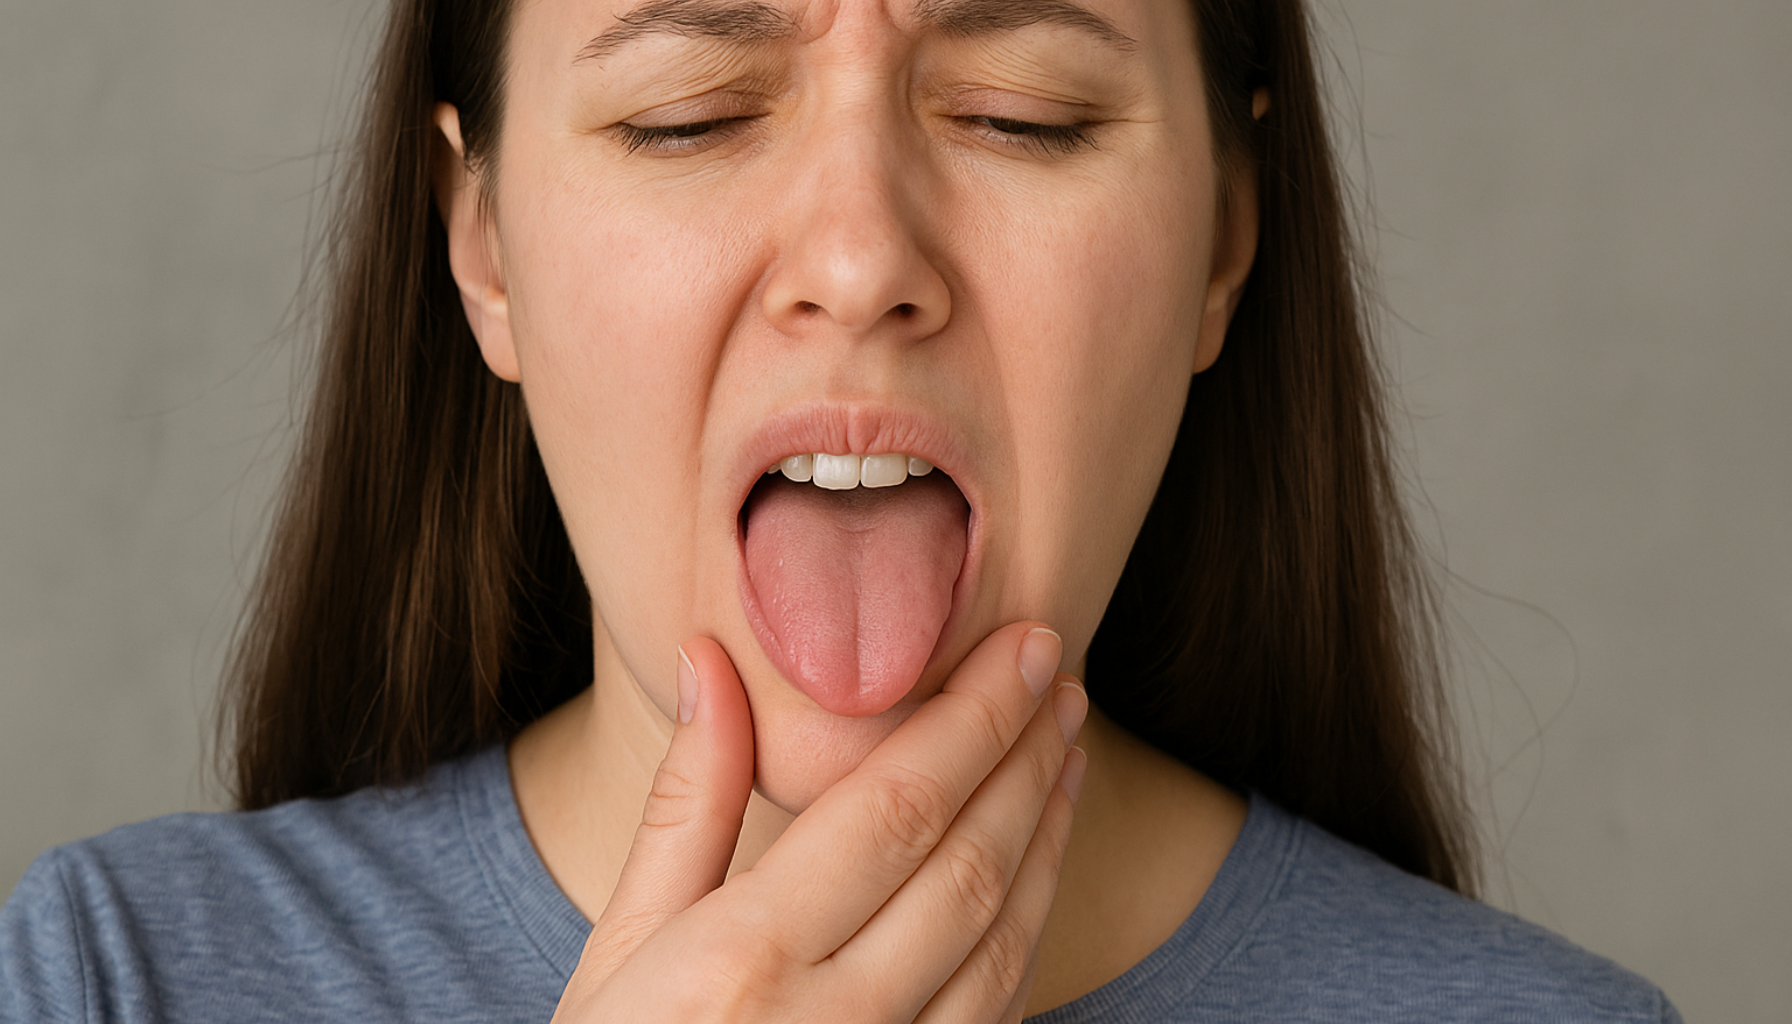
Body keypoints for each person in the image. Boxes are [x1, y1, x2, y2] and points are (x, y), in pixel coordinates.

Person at [0, 0, 1681, 1020]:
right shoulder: (110, 981)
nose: (863, 258)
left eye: (1024, 114)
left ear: (1226, 240)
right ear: (484, 244)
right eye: (690, 117)